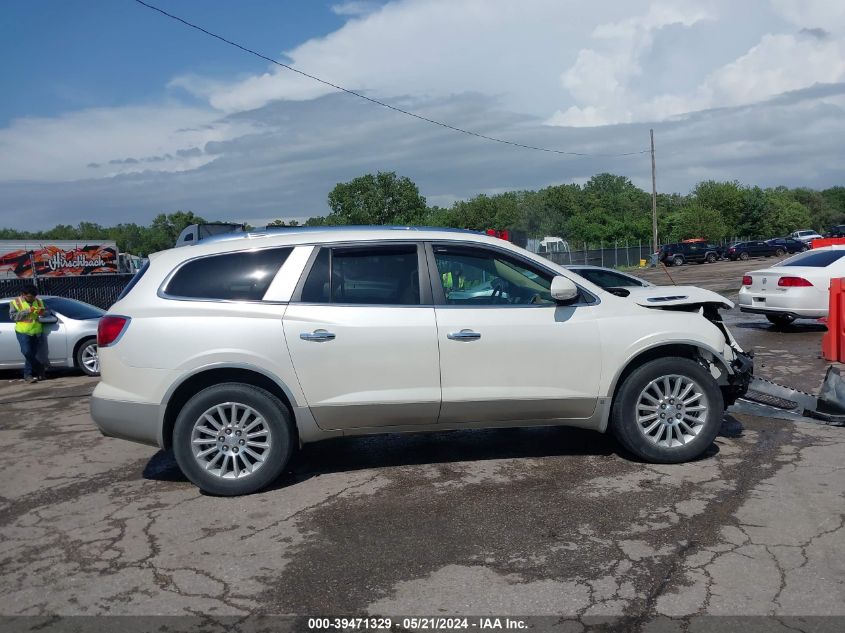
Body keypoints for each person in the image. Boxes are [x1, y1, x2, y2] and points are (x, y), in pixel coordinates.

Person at [10, 285, 48, 383]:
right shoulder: (15, 302)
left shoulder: (38, 301)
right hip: (23, 331)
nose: (32, 299)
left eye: (34, 297)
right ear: (23, 295)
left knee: (31, 354)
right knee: (27, 352)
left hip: (36, 331)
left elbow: (45, 312)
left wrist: (42, 313)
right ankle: (39, 368)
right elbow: (13, 317)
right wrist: (27, 311)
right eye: (30, 297)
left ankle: (28, 375)